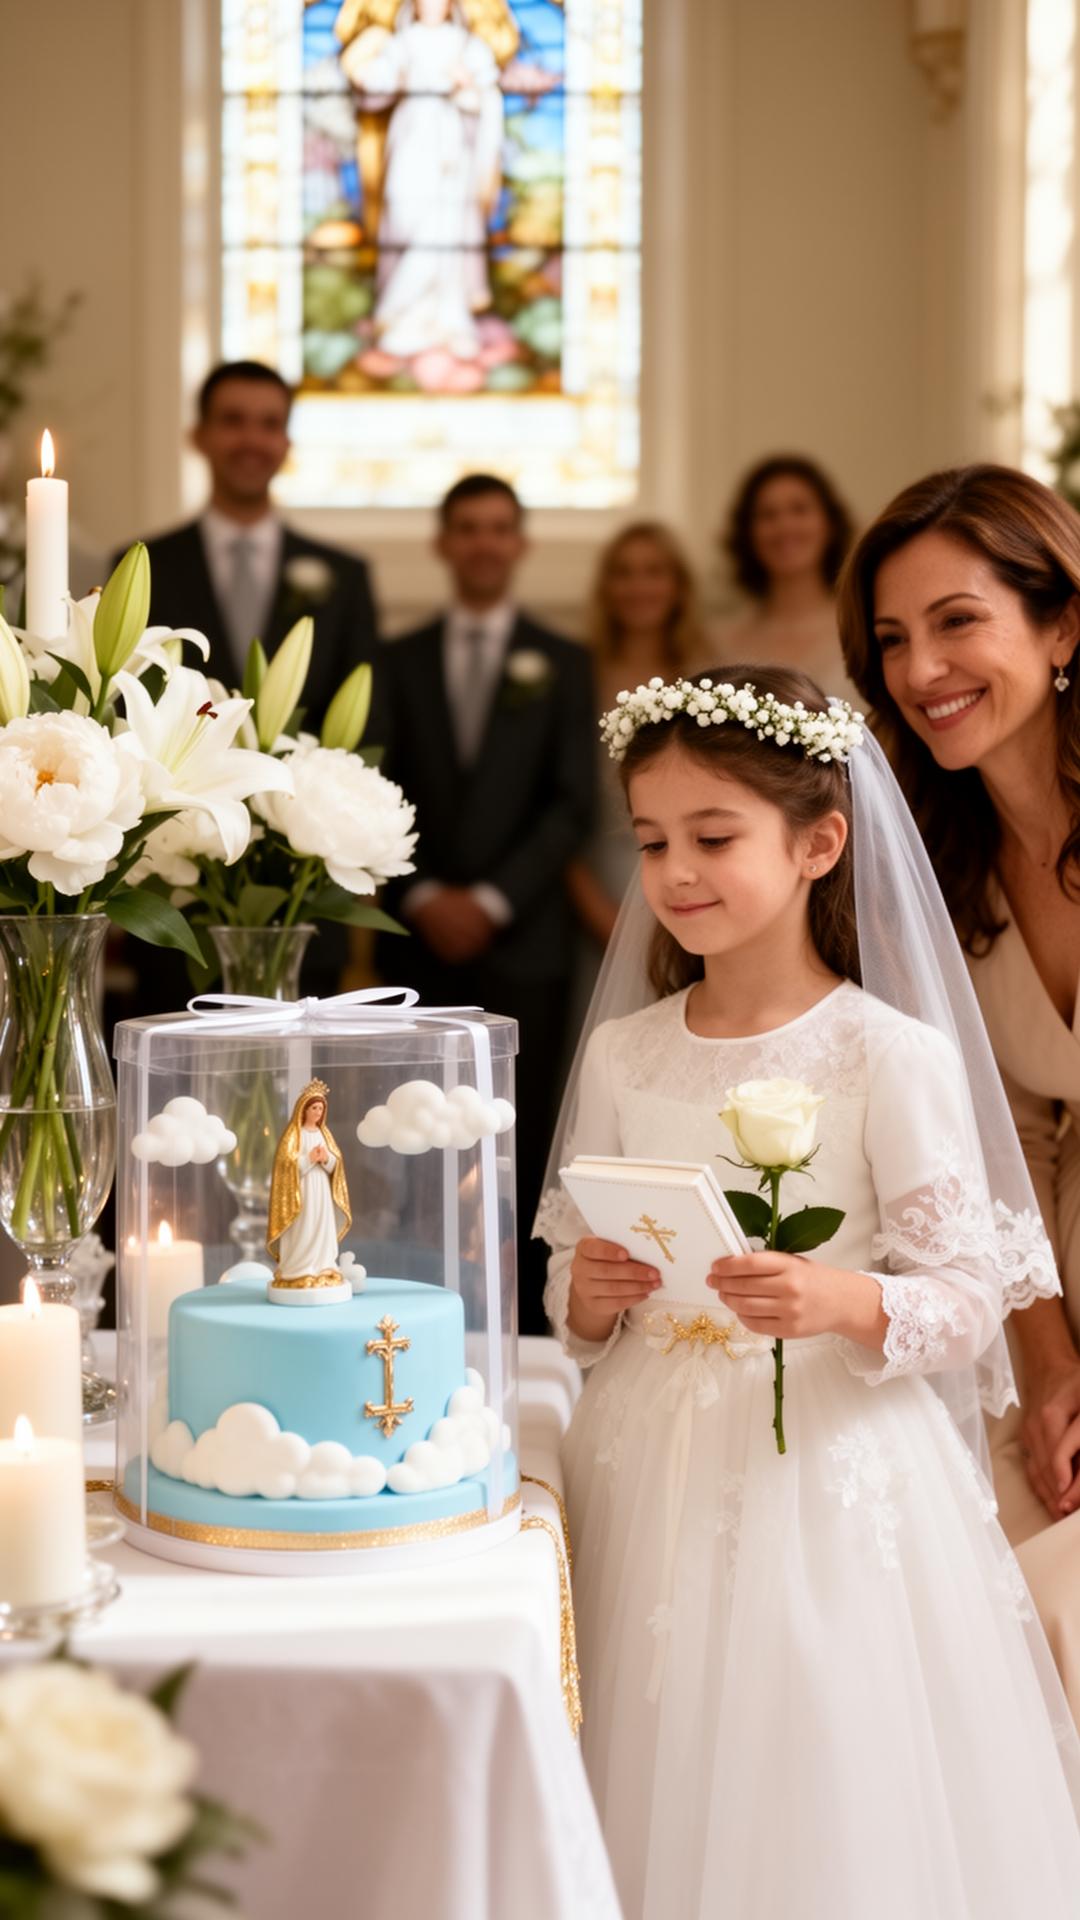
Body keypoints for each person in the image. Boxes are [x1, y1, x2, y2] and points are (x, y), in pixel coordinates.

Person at [535, 664, 1080, 1919]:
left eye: (714, 837)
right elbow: (571, 1272)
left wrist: (844, 1301)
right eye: (654, 840)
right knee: (655, 1735)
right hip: (648, 1460)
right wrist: (597, 1292)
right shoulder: (625, 1049)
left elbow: (969, 1295)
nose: (675, 873)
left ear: (821, 842)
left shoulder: (892, 1053)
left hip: (827, 1467)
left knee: (812, 1742)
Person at [837, 462, 1080, 1713]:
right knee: (1008, 1614)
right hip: (1034, 1274)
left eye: (957, 621)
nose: (921, 668)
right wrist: (1048, 1367)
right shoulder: (936, 865)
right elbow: (1005, 1138)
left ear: (1062, 625)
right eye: (891, 639)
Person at [372, 473, 594, 1333]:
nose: (483, 542)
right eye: (467, 527)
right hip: (417, 941)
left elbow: (572, 801)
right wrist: (423, 893)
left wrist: (495, 900)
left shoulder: (563, 661)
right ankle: (412, 1305)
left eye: (499, 528)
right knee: (412, 1134)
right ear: (443, 541)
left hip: (523, 943)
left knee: (520, 1130)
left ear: (520, 543)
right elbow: (376, 783)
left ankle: (520, 1320)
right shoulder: (398, 659)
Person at [118, 361, 378, 725]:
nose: (251, 440)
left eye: (269, 424)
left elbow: (367, 719)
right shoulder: (144, 565)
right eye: (232, 421)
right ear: (199, 436)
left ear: (286, 443)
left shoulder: (346, 577)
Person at [568, 521, 708, 963]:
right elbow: (557, 802)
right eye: (624, 573)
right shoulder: (578, 676)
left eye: (654, 571)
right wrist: (597, 911)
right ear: (606, 587)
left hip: (695, 877)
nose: (639, 586)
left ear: (678, 584)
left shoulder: (710, 678)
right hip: (597, 883)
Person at [716, 453, 857, 699]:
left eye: (799, 510)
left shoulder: (861, 630)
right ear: (748, 532)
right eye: (768, 515)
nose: (785, 526)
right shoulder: (718, 642)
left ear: (830, 523)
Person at [268, 1081, 352, 1289]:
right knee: (304, 1226)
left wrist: (326, 1159)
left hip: (321, 1188)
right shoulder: (294, 1135)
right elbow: (285, 1167)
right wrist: (309, 1159)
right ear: (303, 1109)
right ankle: (298, 1269)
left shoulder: (325, 1134)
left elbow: (336, 1163)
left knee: (321, 1224)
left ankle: (322, 1266)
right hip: (302, 1189)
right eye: (314, 1108)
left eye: (321, 1108)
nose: (318, 1112)